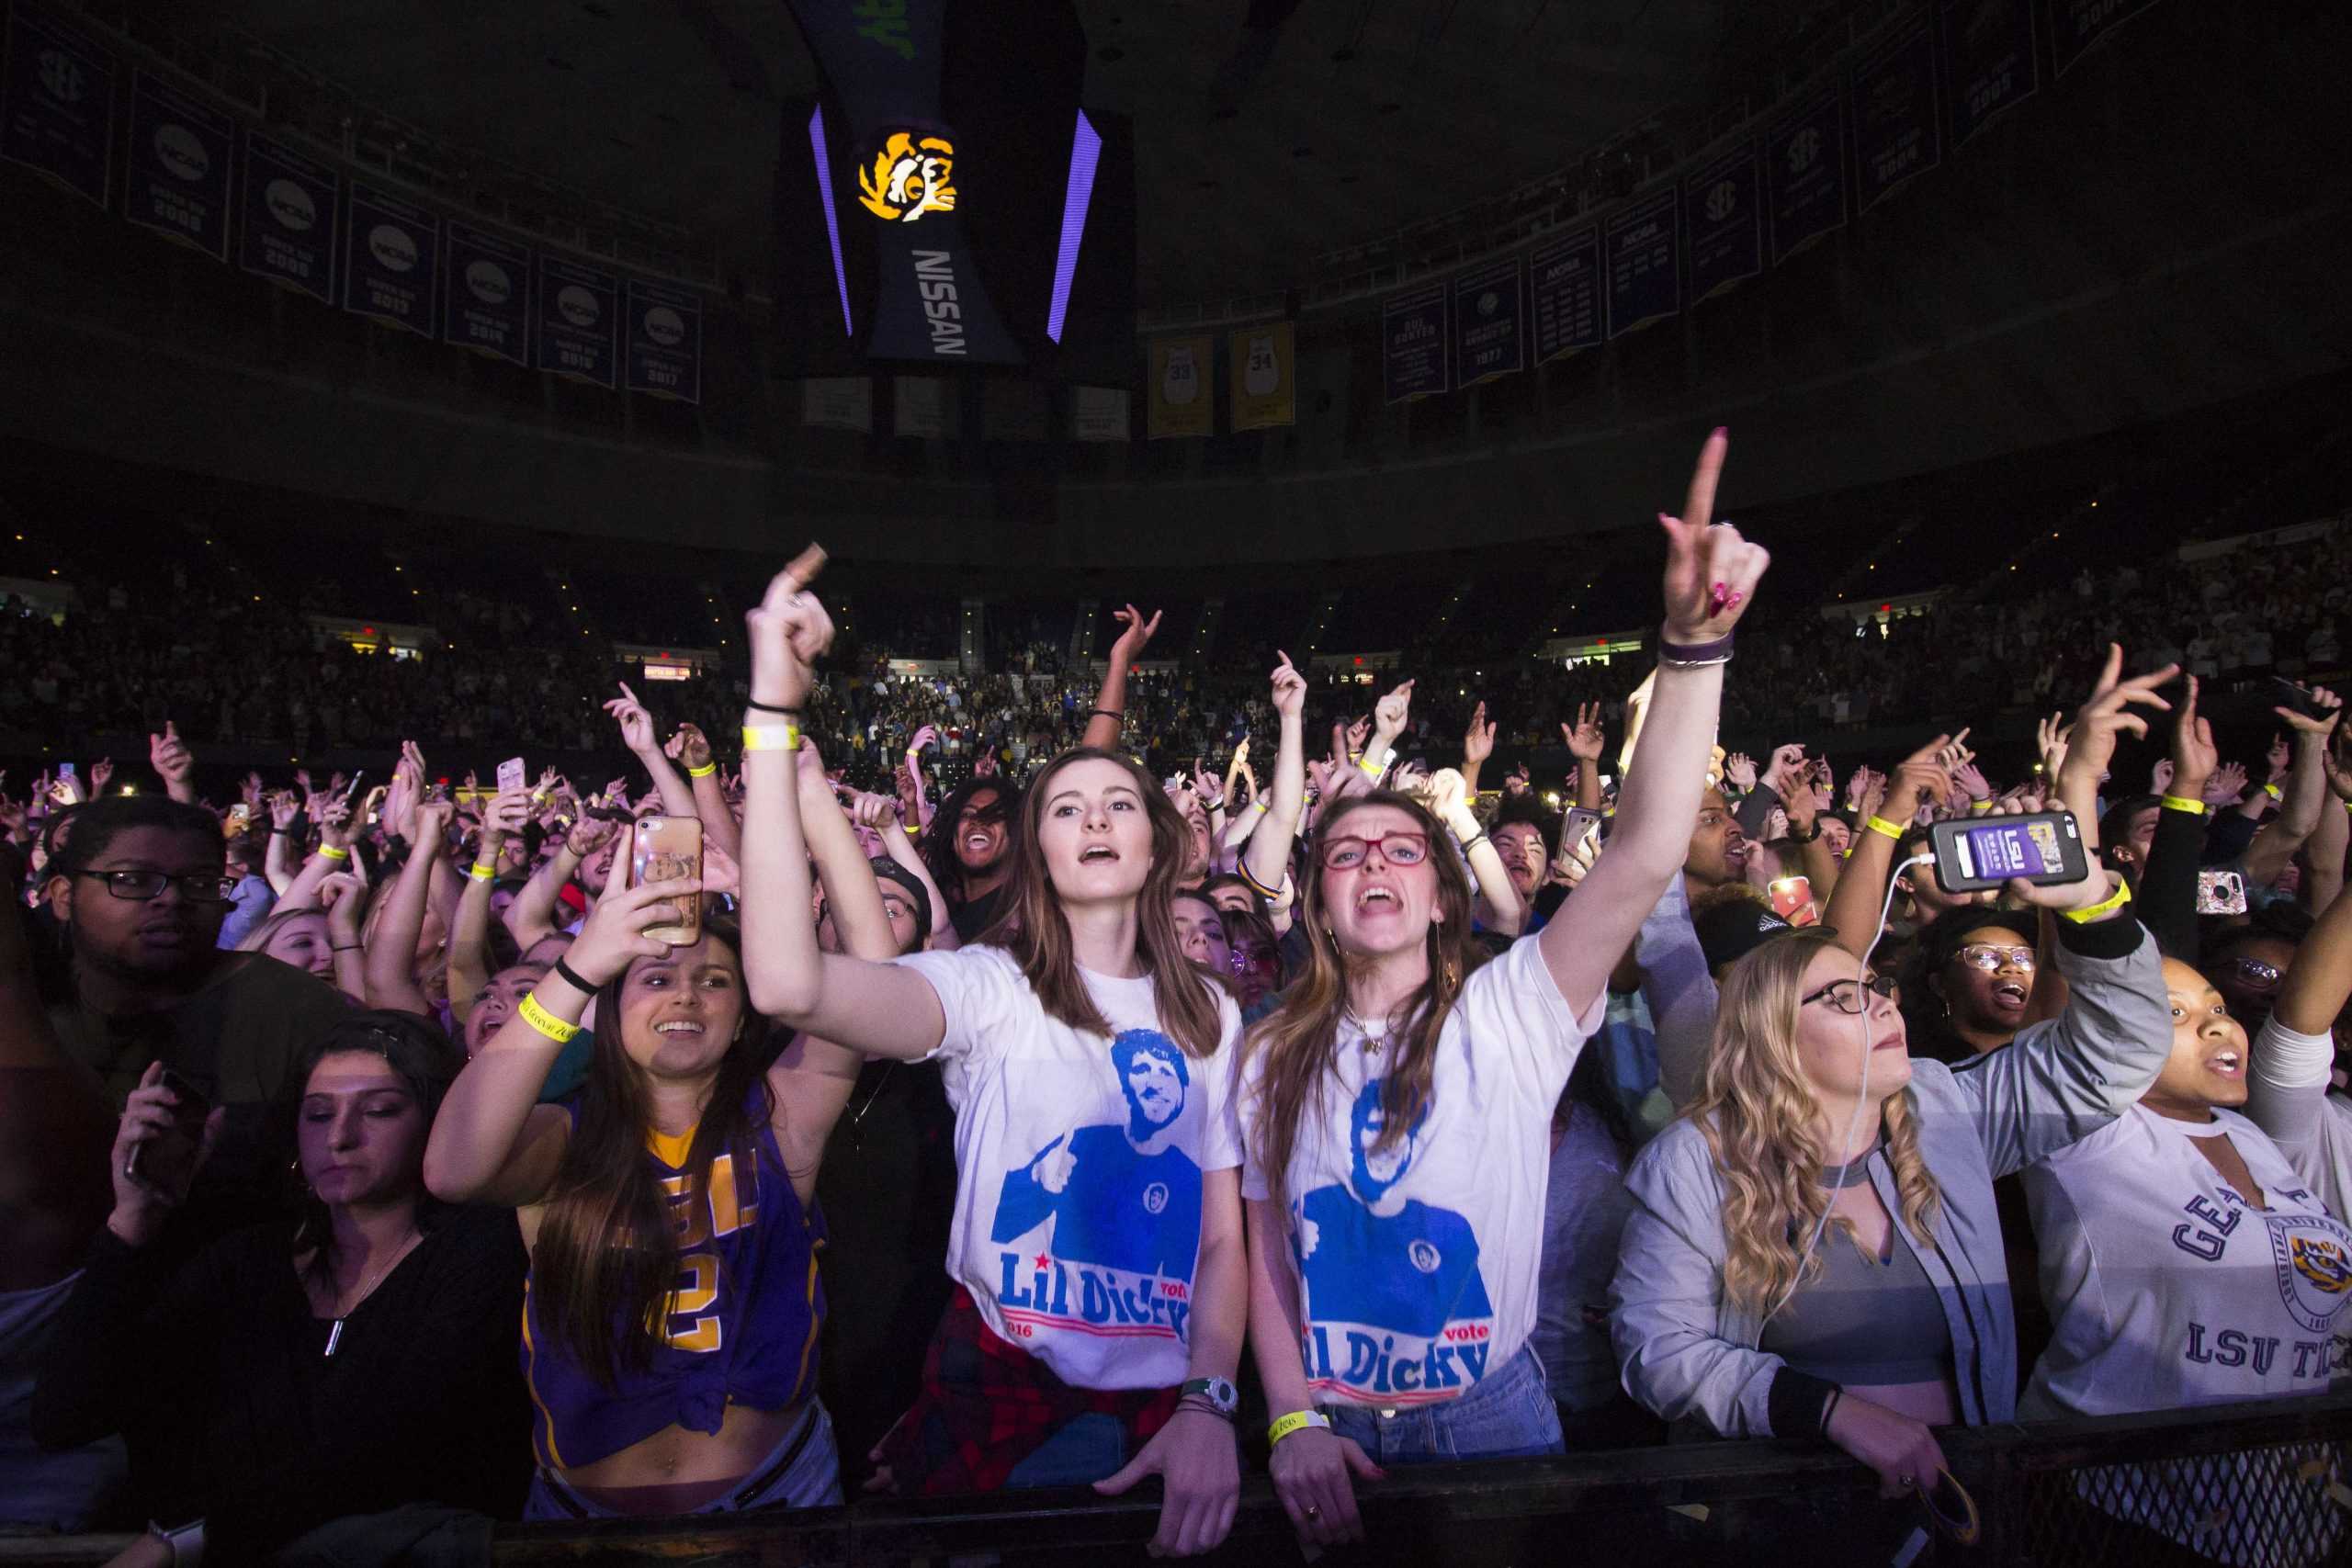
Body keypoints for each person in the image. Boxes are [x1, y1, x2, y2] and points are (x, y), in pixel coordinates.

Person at [1240, 430, 1769, 1549]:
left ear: (1441, 900)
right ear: (1316, 899)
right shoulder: (1267, 1047)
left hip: (1490, 1416)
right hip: (1330, 1420)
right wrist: (1288, 1417)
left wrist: (1691, 653)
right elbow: (1262, 1249)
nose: (1374, 863)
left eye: (1399, 850)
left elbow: (1639, 854)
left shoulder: (1509, 1010)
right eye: (1345, 853)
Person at [1610, 646, 2173, 1554]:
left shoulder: (1944, 1116)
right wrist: (1827, 1412)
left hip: (1965, 1518)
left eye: (1872, 988)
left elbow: (2115, 1054)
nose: (1877, 1003)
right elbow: (1655, 1352)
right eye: (1838, 998)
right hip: (1786, 1532)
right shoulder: (1696, 1161)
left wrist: (2094, 903)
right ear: (1771, 1041)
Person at [736, 560, 1246, 1559]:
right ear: (1037, 853)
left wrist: (1211, 1404)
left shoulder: (1213, 1017)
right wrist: (769, 720)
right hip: (995, 1378)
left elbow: (1225, 1244)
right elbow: (789, 987)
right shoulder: (987, 987)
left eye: (1117, 805)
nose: (1094, 818)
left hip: (1167, 1399)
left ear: (1157, 846)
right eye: (1064, 808)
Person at [424, 776, 871, 1523]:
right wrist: (580, 965)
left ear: (745, 1011)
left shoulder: (781, 1116)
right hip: (587, 1519)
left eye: (715, 981)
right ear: (610, 1008)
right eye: (656, 977)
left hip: (779, 1497)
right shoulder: (564, 1136)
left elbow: (867, 958)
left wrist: (802, 804)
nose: (686, 995)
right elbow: (451, 1168)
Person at [33, 1013, 530, 1563]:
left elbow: (384, 1450)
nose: (340, 1137)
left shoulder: (481, 1251)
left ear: (436, 1123)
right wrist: (132, 1222)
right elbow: (66, 1414)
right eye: (318, 1115)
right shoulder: (245, 1263)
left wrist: (186, 1540)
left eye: (380, 1110)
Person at [2020, 958, 2352, 1563]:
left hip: (2277, 1504)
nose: (2215, 1026)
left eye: (2218, 1008)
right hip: (2121, 1501)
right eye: (2174, 1014)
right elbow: (2047, 1042)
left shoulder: (2250, 1136)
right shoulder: (2089, 1137)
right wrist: (2066, 902)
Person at [43, 795, 352, 1245]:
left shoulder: (294, 1008)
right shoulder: (28, 1005)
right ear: (63, 896)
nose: (171, 899)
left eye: (202, 882)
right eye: (132, 879)